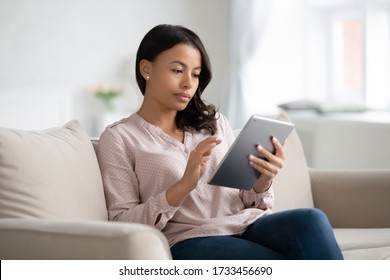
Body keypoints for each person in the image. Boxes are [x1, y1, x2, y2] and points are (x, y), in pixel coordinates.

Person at [96, 24, 343, 260]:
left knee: (312, 219)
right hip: (188, 240)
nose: (188, 83)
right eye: (177, 70)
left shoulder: (213, 122)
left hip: (246, 225)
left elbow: (246, 199)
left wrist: (262, 181)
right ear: (146, 69)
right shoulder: (119, 138)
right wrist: (183, 185)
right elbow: (122, 224)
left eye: (195, 74)